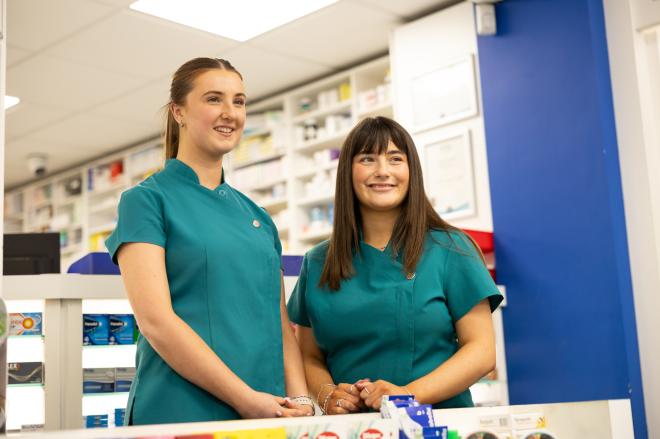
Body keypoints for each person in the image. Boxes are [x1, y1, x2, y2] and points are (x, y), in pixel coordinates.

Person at [106, 58, 313, 425]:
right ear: (179, 111)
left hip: (267, 409)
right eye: (214, 99)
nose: (230, 113)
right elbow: (156, 321)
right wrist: (245, 399)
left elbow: (280, 324)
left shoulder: (258, 217)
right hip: (183, 408)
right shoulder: (146, 200)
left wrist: (302, 403)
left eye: (239, 101)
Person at [287, 116, 503, 414]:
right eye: (367, 159)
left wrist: (407, 396)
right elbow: (308, 354)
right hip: (354, 429)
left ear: (411, 170)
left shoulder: (451, 249)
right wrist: (327, 395)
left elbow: (481, 352)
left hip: (437, 423)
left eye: (395, 159)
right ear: (347, 172)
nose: (382, 171)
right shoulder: (318, 262)